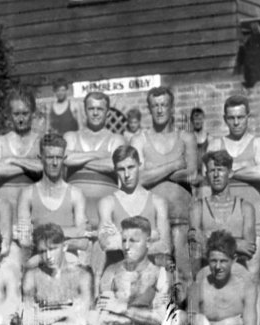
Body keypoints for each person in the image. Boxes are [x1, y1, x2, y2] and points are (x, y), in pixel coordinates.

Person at [131, 87, 198, 281]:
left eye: (164, 105)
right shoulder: (139, 140)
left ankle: (189, 312)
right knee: (157, 277)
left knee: (186, 275)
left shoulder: (186, 138)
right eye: (155, 106)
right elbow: (139, 179)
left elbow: (192, 174)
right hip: (153, 223)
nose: (160, 110)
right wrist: (175, 164)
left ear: (171, 107)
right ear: (149, 109)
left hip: (182, 219)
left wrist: (153, 169)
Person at [207, 95, 260, 277]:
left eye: (240, 117)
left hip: (253, 216)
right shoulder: (216, 144)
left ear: (248, 117)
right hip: (223, 216)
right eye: (231, 118)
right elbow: (211, 175)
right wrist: (245, 169)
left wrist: (230, 170)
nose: (236, 122)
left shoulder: (258, 142)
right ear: (225, 119)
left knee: (252, 274)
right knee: (223, 275)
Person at [90, 215, 171, 325]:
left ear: (148, 243)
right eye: (124, 240)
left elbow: (159, 318)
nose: (127, 247)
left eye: (133, 241)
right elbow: (102, 316)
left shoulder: (160, 275)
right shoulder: (111, 272)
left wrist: (122, 308)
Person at [63, 91, 126, 267]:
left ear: (107, 111)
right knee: (77, 270)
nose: (96, 113)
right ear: (85, 110)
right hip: (76, 219)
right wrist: (99, 155)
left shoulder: (116, 139)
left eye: (100, 109)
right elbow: (65, 159)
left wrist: (80, 161)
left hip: (105, 219)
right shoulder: (71, 137)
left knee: (103, 273)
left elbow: (116, 165)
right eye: (91, 108)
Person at [21, 223, 93, 325]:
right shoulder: (32, 276)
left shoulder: (81, 276)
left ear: (65, 246)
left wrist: (45, 316)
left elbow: (83, 318)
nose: (48, 256)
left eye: (53, 249)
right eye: (43, 251)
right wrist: (66, 312)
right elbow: (28, 323)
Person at [16, 132, 90, 258]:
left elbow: (83, 241)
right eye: (50, 157)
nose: (55, 163)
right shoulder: (27, 193)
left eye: (59, 157)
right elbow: (24, 239)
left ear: (64, 159)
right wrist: (69, 233)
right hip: (39, 261)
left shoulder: (76, 194)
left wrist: (39, 233)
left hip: (68, 263)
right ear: (41, 158)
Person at [96, 145, 170, 268]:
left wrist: (120, 238)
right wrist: (150, 235)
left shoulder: (158, 202)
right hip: (119, 272)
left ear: (139, 165)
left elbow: (165, 246)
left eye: (131, 167)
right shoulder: (107, 203)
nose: (126, 174)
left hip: (149, 275)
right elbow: (106, 243)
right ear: (115, 170)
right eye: (121, 169)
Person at [188, 150, 256, 267]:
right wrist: (236, 245)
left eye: (220, 170)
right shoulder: (198, 208)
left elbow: (248, 250)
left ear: (229, 173)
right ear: (206, 175)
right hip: (208, 273)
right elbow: (196, 251)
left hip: (237, 274)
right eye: (212, 171)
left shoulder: (245, 208)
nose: (216, 175)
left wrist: (208, 237)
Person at [0, 89, 42, 210]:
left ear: (33, 113)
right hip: (4, 210)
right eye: (16, 114)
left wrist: (12, 160)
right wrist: (30, 167)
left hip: (33, 210)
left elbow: (45, 168)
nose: (21, 119)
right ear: (10, 115)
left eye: (25, 113)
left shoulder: (41, 142)